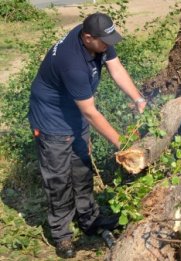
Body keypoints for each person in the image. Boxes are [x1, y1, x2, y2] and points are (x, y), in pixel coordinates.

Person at [28, 12, 147, 258]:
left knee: (82, 170)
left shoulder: (99, 41)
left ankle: (90, 220)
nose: (108, 45)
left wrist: (137, 98)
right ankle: (62, 235)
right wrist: (123, 144)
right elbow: (91, 113)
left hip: (74, 114)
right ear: (88, 37)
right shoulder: (71, 63)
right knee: (59, 180)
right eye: (105, 41)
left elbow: (116, 69)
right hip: (51, 121)